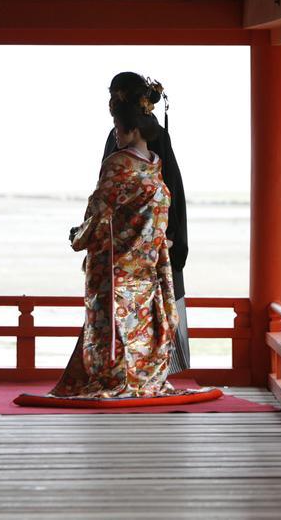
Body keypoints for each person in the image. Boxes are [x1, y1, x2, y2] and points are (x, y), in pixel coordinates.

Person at [45, 89, 200, 400]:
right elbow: (157, 213)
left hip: (114, 263)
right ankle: (142, 378)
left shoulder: (118, 163)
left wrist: (79, 236)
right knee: (140, 324)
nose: (115, 132)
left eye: (118, 127)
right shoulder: (156, 163)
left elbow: (100, 210)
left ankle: (114, 378)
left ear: (132, 129)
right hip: (145, 262)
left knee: (110, 327)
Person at [102, 72, 191, 376]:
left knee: (135, 310)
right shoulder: (136, 136)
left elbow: (107, 199)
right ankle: (150, 374)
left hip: (136, 241)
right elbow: (172, 192)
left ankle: (131, 373)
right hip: (153, 237)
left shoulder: (128, 140)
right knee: (149, 309)